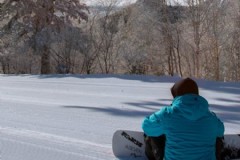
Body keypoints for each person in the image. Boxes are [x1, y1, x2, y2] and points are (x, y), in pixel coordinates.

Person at [142, 77, 224, 160]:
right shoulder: (211, 117)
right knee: (216, 135)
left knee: (155, 130)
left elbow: (146, 126)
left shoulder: (168, 114)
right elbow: (221, 131)